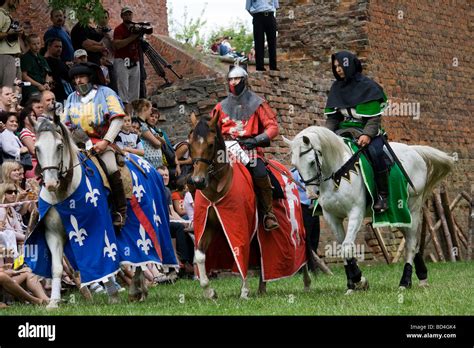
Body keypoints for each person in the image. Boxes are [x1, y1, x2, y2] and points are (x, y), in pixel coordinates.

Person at [211, 65, 279, 231]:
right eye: (231, 79)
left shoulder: (257, 103)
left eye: (237, 79)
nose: (233, 82)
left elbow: (273, 127)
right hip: (226, 150)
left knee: (260, 173)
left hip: (250, 148)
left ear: (244, 80)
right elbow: (213, 130)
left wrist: (257, 140)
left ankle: (268, 213)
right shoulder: (221, 107)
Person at [63, 62, 127, 229]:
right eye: (75, 78)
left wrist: (106, 141)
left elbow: (118, 118)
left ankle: (120, 210)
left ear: (89, 77)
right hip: (78, 143)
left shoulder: (106, 93)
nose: (79, 81)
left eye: (81, 77)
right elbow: (65, 125)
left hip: (102, 141)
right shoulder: (71, 98)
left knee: (111, 168)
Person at [324, 51, 389, 212]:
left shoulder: (369, 87)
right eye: (336, 67)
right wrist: (325, 135)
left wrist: (367, 135)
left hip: (366, 130)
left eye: (341, 66)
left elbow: (374, 119)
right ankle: (322, 194)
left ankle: (383, 195)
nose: (338, 69)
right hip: (343, 130)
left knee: (376, 153)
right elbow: (333, 119)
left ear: (349, 65)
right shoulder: (336, 88)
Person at [113, 6, 141, 115]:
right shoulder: (119, 29)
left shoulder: (135, 27)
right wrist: (133, 37)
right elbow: (117, 45)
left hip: (135, 60)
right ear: (122, 16)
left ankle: (133, 117)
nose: (128, 16)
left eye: (130, 14)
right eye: (126, 14)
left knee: (134, 92)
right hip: (122, 60)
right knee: (123, 90)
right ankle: (125, 116)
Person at [291, 167, 320, 272]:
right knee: (305, 239)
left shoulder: (313, 173)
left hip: (314, 208)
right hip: (302, 209)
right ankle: (302, 268)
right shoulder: (294, 174)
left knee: (314, 238)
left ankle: (312, 266)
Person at [131, 99, 165, 169]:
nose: (151, 112)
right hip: (149, 163)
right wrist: (159, 140)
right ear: (145, 108)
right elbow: (157, 144)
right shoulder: (141, 125)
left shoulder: (145, 124)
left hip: (154, 163)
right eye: (150, 109)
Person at [245, 0, 279, 71]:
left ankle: (273, 67)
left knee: (272, 43)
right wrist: (257, 16)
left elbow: (276, 6)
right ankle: (260, 67)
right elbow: (248, 8)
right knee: (259, 42)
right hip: (258, 17)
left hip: (270, 16)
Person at [20, 34, 53, 104]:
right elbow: (24, 75)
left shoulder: (42, 58)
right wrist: (38, 85)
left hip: (43, 86)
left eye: (38, 43)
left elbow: (47, 73)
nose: (36, 46)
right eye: (34, 44)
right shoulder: (25, 58)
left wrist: (46, 83)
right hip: (31, 88)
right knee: (37, 101)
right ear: (29, 44)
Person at [43, 37, 73, 103]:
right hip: (56, 97)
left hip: (68, 95)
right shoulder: (46, 62)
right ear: (49, 47)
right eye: (56, 46)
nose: (59, 49)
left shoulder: (61, 62)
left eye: (60, 47)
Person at [0, 0, 22, 87]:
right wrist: (10, 33)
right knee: (8, 89)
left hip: (14, 56)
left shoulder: (7, 14)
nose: (16, 3)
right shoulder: (1, 14)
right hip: (5, 56)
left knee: (17, 88)